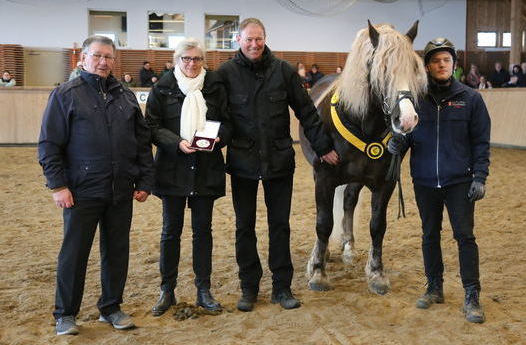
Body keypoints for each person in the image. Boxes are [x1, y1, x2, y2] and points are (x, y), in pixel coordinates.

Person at [217, 17, 339, 312]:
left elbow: (307, 112)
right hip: (242, 162)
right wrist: (207, 143)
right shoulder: (225, 73)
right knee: (244, 227)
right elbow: (215, 116)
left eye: (258, 39)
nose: (254, 44)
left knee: (280, 226)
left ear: (265, 38)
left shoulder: (283, 71)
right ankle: (249, 287)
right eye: (248, 39)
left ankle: (281, 288)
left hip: (279, 161)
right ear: (238, 41)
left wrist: (323, 147)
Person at [38, 35, 155, 336]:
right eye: (97, 56)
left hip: (121, 190)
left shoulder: (126, 96)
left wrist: (144, 179)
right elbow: (50, 144)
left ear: (115, 61)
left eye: (108, 57)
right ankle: (65, 313)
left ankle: (111, 307)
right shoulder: (65, 94)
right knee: (74, 253)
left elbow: (142, 143)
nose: (103, 62)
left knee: (117, 252)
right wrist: (58, 186)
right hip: (81, 190)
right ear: (83, 59)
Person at [387, 37, 490, 324]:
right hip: (424, 181)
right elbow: (406, 136)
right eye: (435, 60)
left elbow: (481, 143)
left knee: (464, 237)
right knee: (429, 235)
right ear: (427, 67)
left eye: (446, 60)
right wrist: (396, 145)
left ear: (454, 65)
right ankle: (434, 287)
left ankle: (472, 294)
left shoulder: (471, 99)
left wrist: (480, 177)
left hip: (459, 182)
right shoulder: (416, 100)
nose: (441, 64)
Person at [145, 38, 232, 317]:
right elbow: (152, 126)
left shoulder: (216, 85)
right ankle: (167, 290)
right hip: (172, 168)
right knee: (170, 232)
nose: (191, 64)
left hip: (206, 169)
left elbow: (230, 122)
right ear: (176, 60)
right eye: (186, 59)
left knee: (202, 232)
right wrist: (175, 143)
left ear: (203, 61)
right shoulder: (162, 87)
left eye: (196, 59)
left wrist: (221, 138)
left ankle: (203, 289)